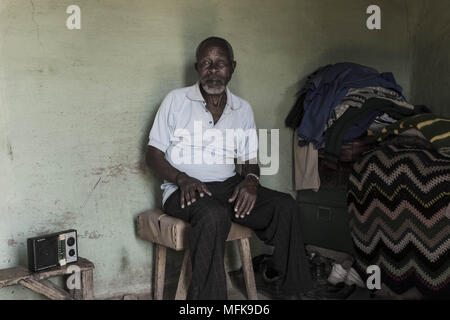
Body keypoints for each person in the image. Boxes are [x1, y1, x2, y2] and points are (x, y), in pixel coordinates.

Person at [146, 36, 314, 299]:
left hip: (228, 186)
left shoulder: (242, 109)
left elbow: (250, 161)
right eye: (206, 63)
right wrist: (182, 178)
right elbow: (152, 155)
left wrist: (250, 181)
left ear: (232, 67)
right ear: (197, 68)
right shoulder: (175, 101)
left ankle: (296, 291)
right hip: (184, 189)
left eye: (220, 64)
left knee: (285, 206)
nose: (213, 71)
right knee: (213, 215)